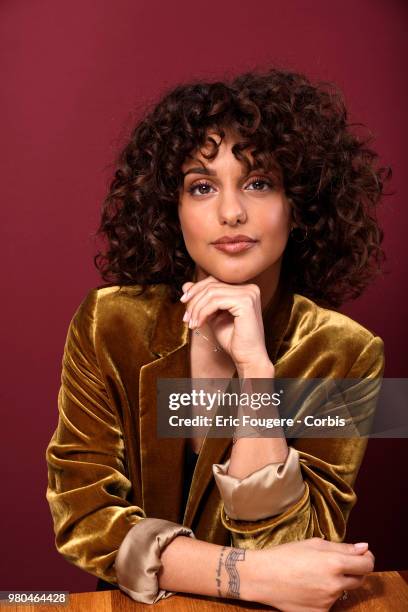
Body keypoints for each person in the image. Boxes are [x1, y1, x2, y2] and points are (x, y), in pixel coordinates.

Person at [45, 67, 391, 611]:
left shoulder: (347, 351)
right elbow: (84, 517)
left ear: (298, 205)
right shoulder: (106, 323)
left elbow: (295, 546)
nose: (231, 212)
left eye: (259, 182)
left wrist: (256, 369)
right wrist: (243, 576)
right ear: (171, 208)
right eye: (201, 187)